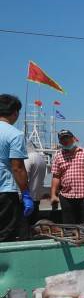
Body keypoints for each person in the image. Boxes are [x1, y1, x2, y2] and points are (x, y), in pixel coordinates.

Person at [50, 129, 84, 225]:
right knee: (69, 227)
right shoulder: (58, 156)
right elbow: (56, 176)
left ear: (73, 138)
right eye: (62, 139)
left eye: (67, 138)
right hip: (66, 196)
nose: (65, 141)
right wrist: (53, 194)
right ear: (60, 142)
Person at [0, 94, 31, 243]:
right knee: (5, 235)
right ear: (15, 113)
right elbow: (17, 168)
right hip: (4, 192)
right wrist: (25, 193)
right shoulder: (15, 134)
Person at [25, 149, 47, 227]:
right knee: (32, 225)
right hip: (35, 198)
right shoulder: (40, 158)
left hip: (25, 199)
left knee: (23, 226)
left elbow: (24, 178)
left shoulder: (27, 158)